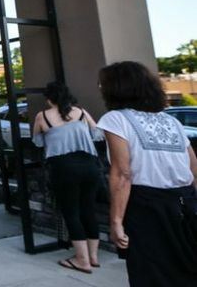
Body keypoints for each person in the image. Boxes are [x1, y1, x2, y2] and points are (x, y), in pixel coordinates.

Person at [96, 61, 197, 286]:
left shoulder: (115, 119)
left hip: (146, 208)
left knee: (151, 274)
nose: (100, 88)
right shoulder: (171, 121)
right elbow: (194, 169)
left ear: (118, 87)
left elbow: (122, 173)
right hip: (186, 203)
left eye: (102, 84)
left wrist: (116, 222)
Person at [32, 81, 102, 274]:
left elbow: (37, 142)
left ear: (48, 98)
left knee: (71, 212)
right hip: (90, 166)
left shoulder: (42, 116)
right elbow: (97, 134)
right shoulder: (81, 112)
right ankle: (93, 257)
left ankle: (82, 260)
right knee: (88, 210)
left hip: (64, 168)